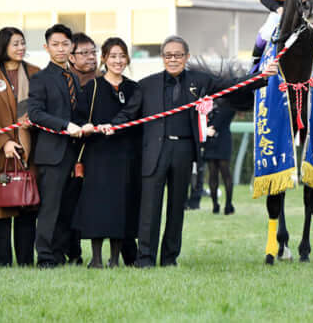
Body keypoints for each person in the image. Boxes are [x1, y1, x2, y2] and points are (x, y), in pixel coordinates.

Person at [102, 35, 277, 267]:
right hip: (154, 151)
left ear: (187, 57)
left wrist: (262, 76)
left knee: (177, 208)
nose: (172, 59)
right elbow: (129, 113)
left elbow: (232, 85)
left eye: (178, 55)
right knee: (149, 208)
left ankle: (169, 258)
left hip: (184, 149)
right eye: (168, 55)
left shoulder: (200, 80)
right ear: (162, 58)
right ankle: (145, 259)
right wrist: (111, 125)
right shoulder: (147, 85)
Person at [73, 38, 140, 268]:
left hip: (125, 155)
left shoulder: (133, 88)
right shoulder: (92, 87)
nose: (118, 61)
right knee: (97, 205)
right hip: (99, 154)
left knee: (121, 205)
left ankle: (115, 258)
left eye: (122, 56)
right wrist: (88, 127)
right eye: (113, 56)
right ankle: (97, 258)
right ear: (104, 59)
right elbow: (79, 118)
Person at [0, 27, 39, 266]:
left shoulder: (35, 73)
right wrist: (4, 142)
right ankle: (1, 263)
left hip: (28, 150)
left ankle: (25, 262)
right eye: (15, 44)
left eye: (23, 43)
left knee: (26, 205)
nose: (21, 48)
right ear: (3, 47)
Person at [28, 24, 84, 268]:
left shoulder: (72, 76)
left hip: (74, 153)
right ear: (46, 47)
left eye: (65, 44)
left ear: (72, 47)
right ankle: (45, 257)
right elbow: (35, 113)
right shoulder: (40, 78)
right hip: (52, 153)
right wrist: (65, 125)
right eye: (55, 44)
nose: (61, 49)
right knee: (50, 208)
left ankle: (60, 253)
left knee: (67, 208)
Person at [64, 32, 97, 265]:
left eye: (93, 52)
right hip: (70, 154)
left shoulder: (105, 80)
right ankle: (72, 253)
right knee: (69, 206)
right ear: (71, 57)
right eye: (84, 53)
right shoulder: (65, 81)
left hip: (99, 154)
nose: (91, 57)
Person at [204, 99, 237, 215]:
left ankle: (225, 204)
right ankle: (218, 204)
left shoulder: (224, 104)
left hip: (219, 138)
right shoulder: (211, 101)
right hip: (214, 139)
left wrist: (212, 126)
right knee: (217, 173)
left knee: (222, 173)